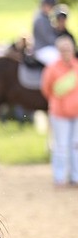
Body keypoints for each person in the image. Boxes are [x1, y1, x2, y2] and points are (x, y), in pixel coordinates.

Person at [40, 35, 78, 187]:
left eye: (68, 49)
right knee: (61, 145)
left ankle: (76, 176)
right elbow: (46, 89)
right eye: (62, 50)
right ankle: (60, 177)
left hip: (76, 113)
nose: (66, 52)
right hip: (59, 113)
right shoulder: (52, 68)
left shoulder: (76, 66)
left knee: (76, 145)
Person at [31, 0, 59, 66]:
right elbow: (48, 37)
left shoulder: (46, 17)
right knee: (58, 60)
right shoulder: (40, 19)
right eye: (47, 5)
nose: (49, 7)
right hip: (42, 49)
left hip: (48, 47)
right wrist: (60, 42)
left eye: (51, 5)